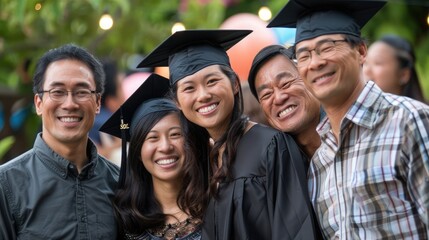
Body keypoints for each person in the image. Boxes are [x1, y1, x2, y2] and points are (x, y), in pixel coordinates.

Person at [137, 29, 321, 240]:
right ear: (178, 102)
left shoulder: (271, 146)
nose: (203, 95)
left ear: (234, 83)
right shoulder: (200, 160)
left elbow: (296, 231)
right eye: (189, 88)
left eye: (212, 81)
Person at [268, 0, 429, 238]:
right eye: (303, 55)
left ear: (361, 51)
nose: (315, 62)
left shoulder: (408, 121)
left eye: (327, 47)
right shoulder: (320, 162)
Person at [0, 44, 119, 239]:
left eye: (81, 92)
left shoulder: (120, 183)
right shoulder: (6, 185)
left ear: (97, 103)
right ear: (38, 103)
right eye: (57, 92)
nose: (70, 104)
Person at [100, 74, 207, 240]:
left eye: (175, 134)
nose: (165, 147)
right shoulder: (125, 221)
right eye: (152, 137)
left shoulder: (216, 207)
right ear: (139, 153)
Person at [248, 44, 323, 160]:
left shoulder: (353, 133)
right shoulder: (273, 166)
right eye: (267, 94)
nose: (278, 98)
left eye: (285, 84)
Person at [363, 34, 428, 103]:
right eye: (366, 63)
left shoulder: (417, 112)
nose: (366, 70)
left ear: (403, 75)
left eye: (378, 63)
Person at [89, 58, 125, 165]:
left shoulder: (89, 121)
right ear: (111, 100)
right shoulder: (107, 124)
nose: (124, 94)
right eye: (120, 87)